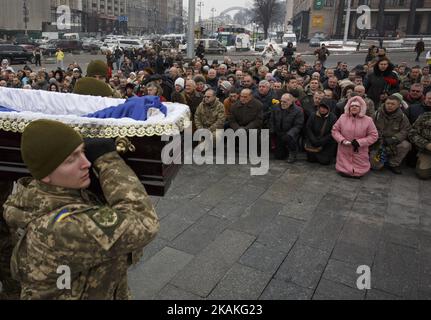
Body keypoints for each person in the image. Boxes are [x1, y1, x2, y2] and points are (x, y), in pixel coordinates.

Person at [2, 120, 159, 299]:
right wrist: (108, 162)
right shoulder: (63, 226)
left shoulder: (47, 195)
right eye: (71, 160)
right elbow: (144, 222)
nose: (86, 163)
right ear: (45, 175)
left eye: (83, 153)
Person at [332, 96, 378, 178]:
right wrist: (342, 140)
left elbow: (374, 135)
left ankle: (358, 171)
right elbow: (335, 130)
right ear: (348, 107)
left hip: (360, 150)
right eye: (352, 106)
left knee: (359, 162)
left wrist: (360, 142)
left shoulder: (368, 120)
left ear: (361, 108)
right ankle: (343, 170)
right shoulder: (343, 117)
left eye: (356, 106)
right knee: (344, 160)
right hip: (344, 148)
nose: (354, 107)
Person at [370, 95, 412, 174]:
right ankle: (381, 160)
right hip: (379, 142)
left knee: (406, 145)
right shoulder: (376, 114)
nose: (389, 106)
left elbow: (406, 130)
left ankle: (393, 164)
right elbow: (369, 127)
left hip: (393, 142)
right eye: (388, 103)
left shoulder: (402, 117)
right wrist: (377, 137)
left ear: (398, 105)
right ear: (385, 103)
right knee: (375, 167)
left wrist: (394, 139)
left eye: (393, 104)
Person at [269, 93, 304, 163]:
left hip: (290, 133)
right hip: (279, 132)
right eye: (281, 101)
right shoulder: (275, 107)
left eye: (285, 102)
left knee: (289, 138)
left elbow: (298, 125)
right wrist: (272, 130)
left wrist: (290, 133)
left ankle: (293, 152)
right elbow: (271, 120)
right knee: (279, 156)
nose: (282, 103)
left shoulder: (298, 110)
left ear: (291, 102)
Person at [304, 99, 337, 165]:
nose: (322, 109)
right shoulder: (313, 115)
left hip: (326, 142)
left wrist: (322, 141)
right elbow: (308, 128)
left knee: (324, 161)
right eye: (321, 107)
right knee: (311, 160)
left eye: (325, 108)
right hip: (314, 140)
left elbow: (333, 132)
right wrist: (313, 139)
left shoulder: (333, 117)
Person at [408, 110, 431, 179]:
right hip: (427, 151)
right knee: (423, 174)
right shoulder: (426, 116)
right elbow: (412, 133)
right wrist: (426, 144)